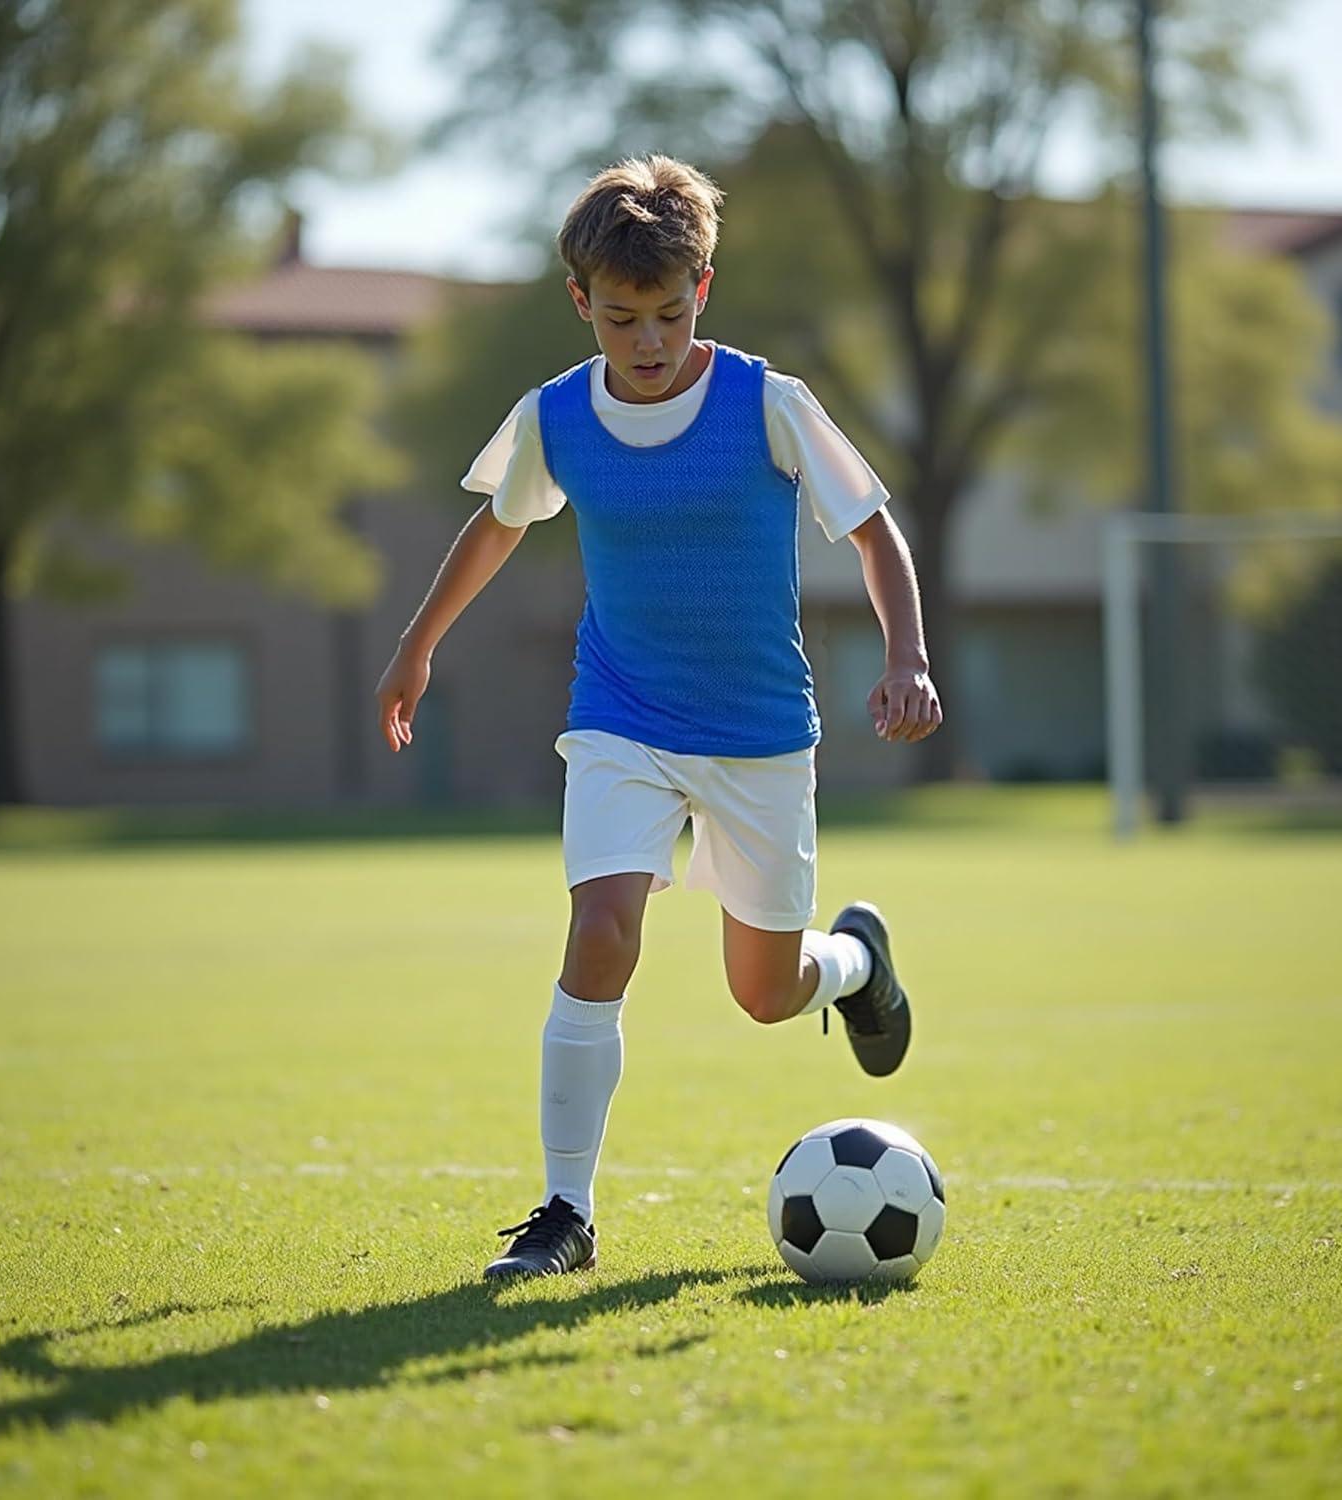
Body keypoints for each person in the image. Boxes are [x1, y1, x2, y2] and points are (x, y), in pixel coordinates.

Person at [374, 154, 941, 1281]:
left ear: (703, 290)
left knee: (764, 994)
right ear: (580, 300)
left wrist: (907, 655)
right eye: (622, 316)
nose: (648, 340)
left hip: (759, 733)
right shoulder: (555, 417)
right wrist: (417, 644)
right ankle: (565, 1212)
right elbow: (500, 524)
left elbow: (874, 529)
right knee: (599, 931)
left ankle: (853, 964)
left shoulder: (767, 403)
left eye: (670, 314)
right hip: (620, 715)